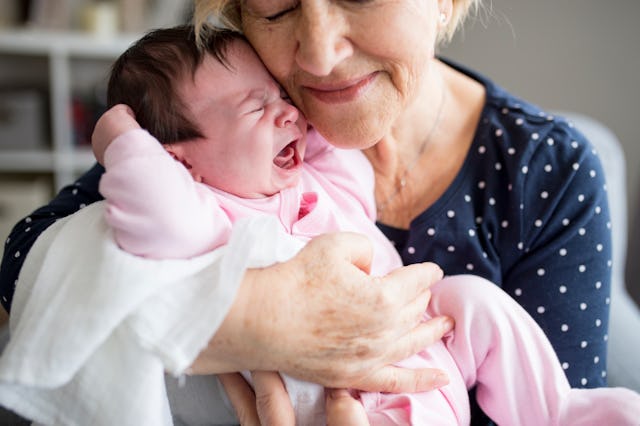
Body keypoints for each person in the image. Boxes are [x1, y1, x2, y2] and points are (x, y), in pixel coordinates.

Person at [0, 0, 614, 422]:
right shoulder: (215, 148)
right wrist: (252, 323)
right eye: (275, 6)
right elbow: (26, 258)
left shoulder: (546, 171)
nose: (318, 55)